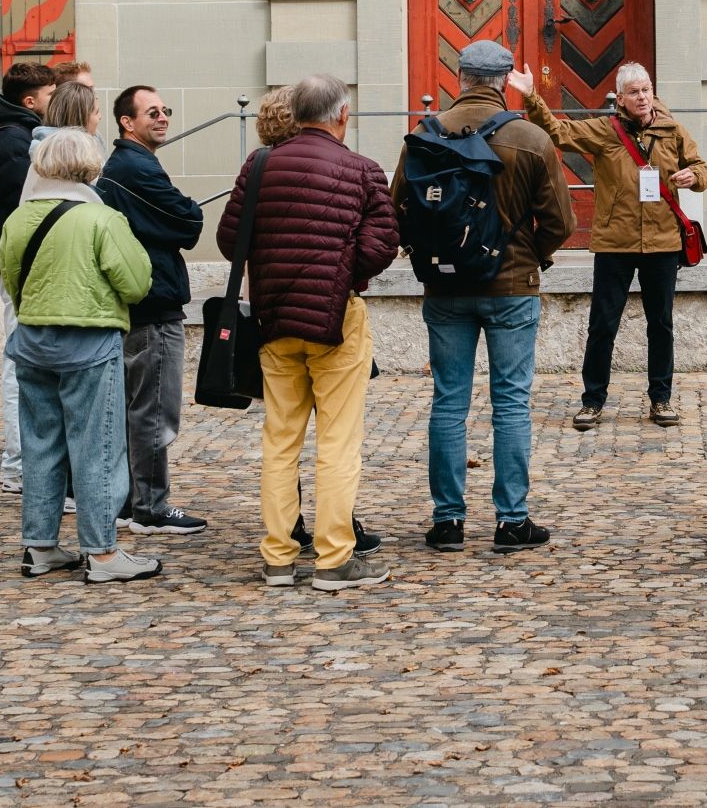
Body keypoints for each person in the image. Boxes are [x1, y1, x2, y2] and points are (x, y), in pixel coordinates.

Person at [219, 74, 400, 591]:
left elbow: (232, 236)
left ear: (296, 114)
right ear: (342, 115)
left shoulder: (259, 165)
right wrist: (343, 272)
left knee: (280, 438)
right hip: (335, 317)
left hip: (274, 316)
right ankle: (333, 559)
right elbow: (383, 243)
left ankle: (278, 557)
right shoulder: (363, 170)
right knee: (338, 442)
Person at [393, 40, 574, 556]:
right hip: (512, 287)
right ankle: (511, 521)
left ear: (459, 77)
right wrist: (528, 256)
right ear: (503, 82)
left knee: (448, 401)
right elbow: (562, 222)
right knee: (511, 403)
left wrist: (425, 257)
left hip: (445, 288)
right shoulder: (531, 139)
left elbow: (397, 210)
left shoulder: (422, 136)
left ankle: (448, 520)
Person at [508, 60, 707, 430]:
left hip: (663, 243)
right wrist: (532, 96)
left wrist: (692, 175)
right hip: (615, 243)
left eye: (647, 89)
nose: (644, 97)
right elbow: (557, 132)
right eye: (635, 92)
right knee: (603, 325)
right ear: (621, 99)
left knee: (661, 324)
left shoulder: (672, 129)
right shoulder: (605, 130)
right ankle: (592, 401)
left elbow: (702, 169)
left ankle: (661, 398)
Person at [1, 129, 160, 583]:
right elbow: (136, 283)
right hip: (89, 343)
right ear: (91, 167)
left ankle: (40, 545)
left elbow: (15, 284)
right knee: (98, 449)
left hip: (32, 342)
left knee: (41, 446)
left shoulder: (18, 219)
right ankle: (102, 552)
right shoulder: (101, 219)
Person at [99, 85, 207, 538]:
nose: (162, 118)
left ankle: (130, 500)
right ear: (127, 122)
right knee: (153, 409)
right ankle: (150, 506)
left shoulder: (134, 164)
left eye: (165, 110)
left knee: (136, 406)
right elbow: (189, 221)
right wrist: (183, 214)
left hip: (143, 300)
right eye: (152, 112)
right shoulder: (135, 167)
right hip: (154, 303)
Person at [0, 61, 58, 494]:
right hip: (18, 264)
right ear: (30, 101)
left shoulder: (19, 137)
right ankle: (18, 464)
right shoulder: (15, 142)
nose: (55, 102)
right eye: (50, 95)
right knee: (19, 362)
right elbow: (25, 210)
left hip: (19, 262)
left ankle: (26, 461)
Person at [18, 82, 102, 204]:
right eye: (97, 112)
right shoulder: (76, 160)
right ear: (81, 117)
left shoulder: (40, 159)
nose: (100, 117)